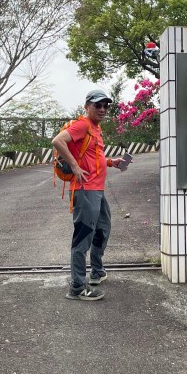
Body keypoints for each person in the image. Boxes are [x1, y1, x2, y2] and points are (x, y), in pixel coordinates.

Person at [51, 88, 127, 300]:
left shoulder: (95, 128)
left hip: (97, 190)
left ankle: (97, 271)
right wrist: (75, 167)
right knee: (83, 236)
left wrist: (111, 162)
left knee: (103, 228)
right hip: (85, 190)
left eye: (105, 106)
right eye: (97, 105)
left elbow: (93, 156)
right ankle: (77, 286)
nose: (102, 109)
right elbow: (57, 141)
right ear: (87, 107)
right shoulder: (83, 124)